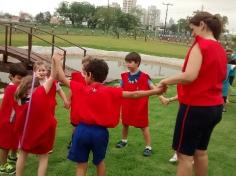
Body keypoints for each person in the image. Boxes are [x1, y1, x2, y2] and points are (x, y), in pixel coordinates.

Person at [52, 53, 166, 176]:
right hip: (100, 133)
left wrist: (56, 61)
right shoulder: (111, 91)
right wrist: (156, 91)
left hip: (82, 131)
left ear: (89, 75)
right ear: (105, 77)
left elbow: (62, 78)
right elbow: (135, 94)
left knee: (81, 165)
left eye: (85, 74)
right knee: (99, 162)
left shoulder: (81, 88)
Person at [158, 11, 227, 176]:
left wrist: (165, 80)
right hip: (215, 107)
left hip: (196, 108)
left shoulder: (201, 44)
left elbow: (189, 76)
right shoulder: (220, 48)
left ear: (202, 25)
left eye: (193, 29)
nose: (192, 33)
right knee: (200, 152)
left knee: (184, 156)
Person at [15, 64, 57, 176]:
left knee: (23, 154)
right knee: (43, 157)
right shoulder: (39, 95)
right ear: (35, 87)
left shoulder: (19, 98)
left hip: (25, 133)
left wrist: (34, 77)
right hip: (40, 133)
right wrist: (55, 60)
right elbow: (53, 76)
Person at [115, 52, 155, 156]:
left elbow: (154, 89)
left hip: (140, 107)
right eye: (126, 62)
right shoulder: (124, 77)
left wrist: (162, 97)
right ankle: (124, 141)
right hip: (127, 106)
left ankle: (148, 147)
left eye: (130, 62)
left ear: (137, 63)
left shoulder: (145, 77)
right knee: (125, 124)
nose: (127, 64)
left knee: (143, 126)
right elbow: (120, 90)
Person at [0, 63, 28, 175]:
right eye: (18, 78)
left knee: (14, 139)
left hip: (14, 120)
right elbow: (21, 103)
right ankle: (2, 165)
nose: (21, 81)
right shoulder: (13, 88)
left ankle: (12, 156)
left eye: (23, 79)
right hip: (7, 121)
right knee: (4, 145)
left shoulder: (16, 87)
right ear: (11, 77)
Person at [67, 55, 93, 149]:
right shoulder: (76, 75)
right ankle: (73, 140)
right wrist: (68, 100)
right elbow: (71, 89)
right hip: (76, 103)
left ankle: (86, 141)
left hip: (87, 104)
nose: (84, 68)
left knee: (86, 124)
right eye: (83, 65)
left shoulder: (92, 77)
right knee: (75, 124)